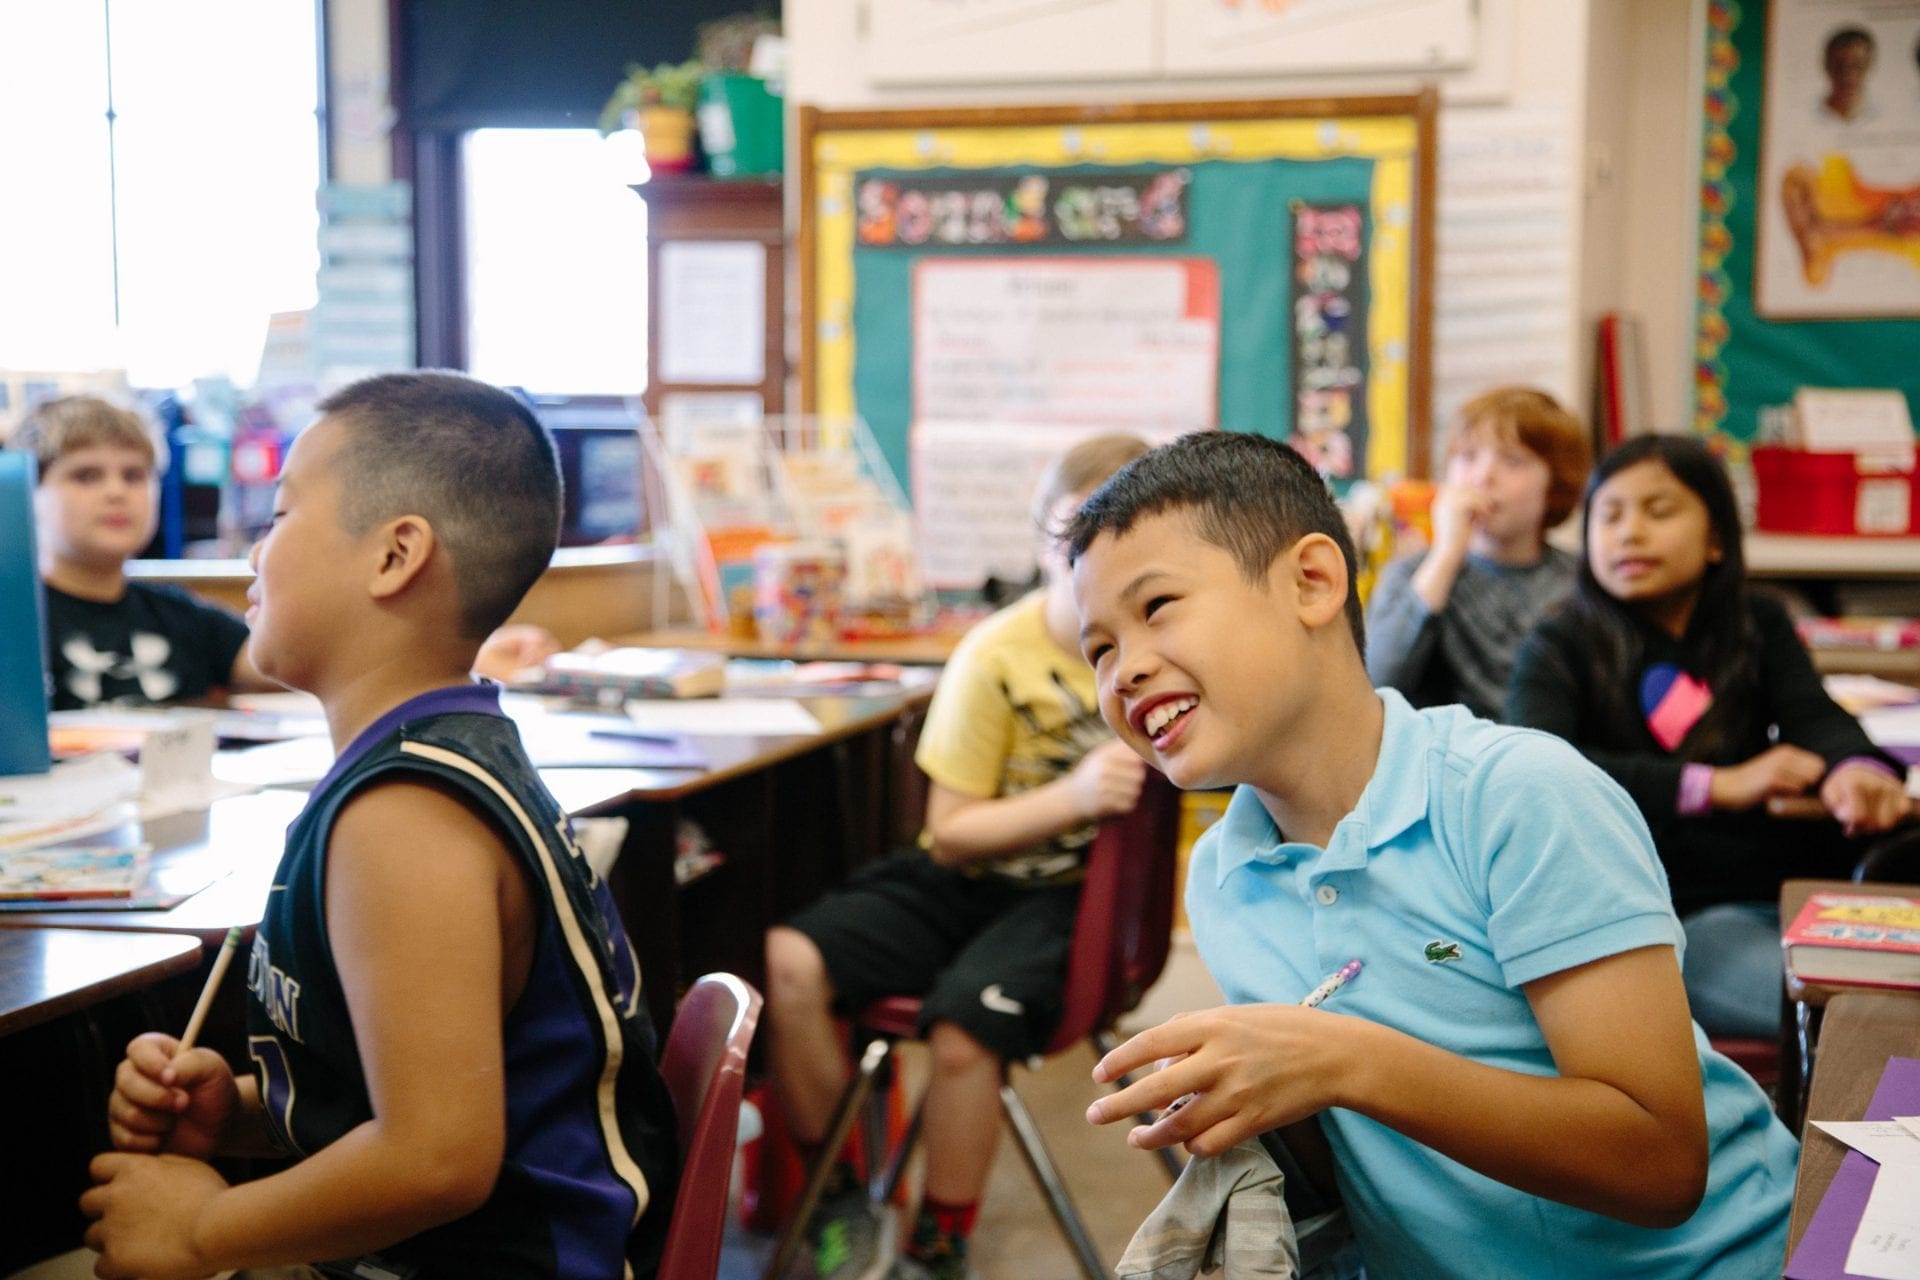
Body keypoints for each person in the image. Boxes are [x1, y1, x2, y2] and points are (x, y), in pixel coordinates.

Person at [1066, 430, 1797, 1280]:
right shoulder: (1223, 879)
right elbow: (1368, 1165)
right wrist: (1260, 1113)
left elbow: (1662, 1164)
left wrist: (1338, 1061)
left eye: (1156, 608)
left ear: (1312, 581)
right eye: (1100, 648)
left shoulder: (1517, 795)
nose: (1125, 670)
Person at [81, 372, 679, 1279]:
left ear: (395, 556)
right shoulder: (427, 763)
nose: (253, 551)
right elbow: (418, 1087)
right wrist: (244, 1111)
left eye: (280, 518)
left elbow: (435, 1159)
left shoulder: (403, 819)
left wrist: (204, 1232)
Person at [763, 433, 1154, 1280]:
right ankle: (842, 1196)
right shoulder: (995, 656)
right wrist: (1075, 797)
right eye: (1070, 535)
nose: (1087, 558)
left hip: (1071, 901)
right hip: (968, 874)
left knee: (961, 1034)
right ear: (1042, 539)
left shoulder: (1157, 655)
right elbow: (950, 834)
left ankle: (939, 1244)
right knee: (790, 959)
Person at [1507, 433, 1913, 1037]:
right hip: (1666, 916)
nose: (1629, 532)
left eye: (1658, 510)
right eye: (1609, 516)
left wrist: (1856, 766)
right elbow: (1539, 768)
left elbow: (1813, 714)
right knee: (1860, 1018)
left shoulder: (1758, 623)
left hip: (1790, 894)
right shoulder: (1559, 644)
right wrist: (1715, 785)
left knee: (1883, 982)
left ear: (1717, 538)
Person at [8, 394, 557, 711]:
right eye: (84, 476)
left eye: (134, 474)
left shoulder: (178, 616)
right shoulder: (14, 624)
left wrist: (474, 654)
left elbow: (317, 656)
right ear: (24, 495)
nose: (115, 491)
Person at [1365, 386, 1590, 720]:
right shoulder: (1412, 575)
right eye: (1468, 457)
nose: (1483, 476)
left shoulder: (1581, 581)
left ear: (1555, 486)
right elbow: (1377, 684)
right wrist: (1445, 554)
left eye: (1513, 461)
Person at [1818, 25, 1877, 124]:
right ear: (1827, 66)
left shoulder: (1881, 115)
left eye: (1857, 65)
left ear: (1869, 66)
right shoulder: (1808, 115)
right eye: (1839, 66)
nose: (1848, 76)